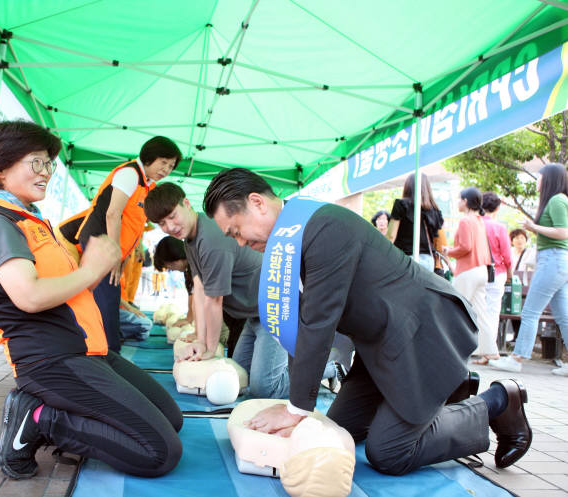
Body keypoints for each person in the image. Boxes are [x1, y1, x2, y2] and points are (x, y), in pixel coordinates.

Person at [203, 167, 532, 476]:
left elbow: (318, 323)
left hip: (420, 334)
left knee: (389, 451)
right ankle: (430, 396)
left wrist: (294, 410)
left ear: (257, 203)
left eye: (236, 231)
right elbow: (296, 330)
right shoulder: (288, 242)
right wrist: (297, 408)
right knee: (336, 428)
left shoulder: (322, 226)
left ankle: (498, 402)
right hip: (378, 346)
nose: (241, 243)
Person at [0, 121, 182, 480]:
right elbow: (28, 297)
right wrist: (90, 269)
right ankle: (40, 420)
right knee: (159, 452)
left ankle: (68, 411)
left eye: (49, 164)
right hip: (51, 359)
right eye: (36, 162)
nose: (46, 172)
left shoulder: (34, 221)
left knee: (172, 419)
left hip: (87, 350)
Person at [144, 183, 290, 399]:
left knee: (264, 388)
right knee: (239, 375)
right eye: (162, 223)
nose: (170, 226)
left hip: (275, 310)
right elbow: (200, 292)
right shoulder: (190, 242)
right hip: (254, 316)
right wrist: (201, 342)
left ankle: (327, 368)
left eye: (173, 216)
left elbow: (214, 300)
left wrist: (209, 349)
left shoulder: (210, 238)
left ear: (186, 203)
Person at [58, 136, 181, 352]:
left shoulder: (148, 186)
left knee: (109, 302)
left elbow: (134, 227)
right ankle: (105, 354)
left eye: (171, 166)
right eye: (163, 162)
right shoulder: (130, 174)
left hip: (113, 251)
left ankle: (104, 352)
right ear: (150, 157)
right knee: (105, 305)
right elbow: (113, 214)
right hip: (101, 246)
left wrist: (125, 255)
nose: (166, 169)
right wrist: (115, 254)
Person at [490, 164, 568, 376]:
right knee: (563, 316)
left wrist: (533, 228)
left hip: (553, 259)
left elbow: (563, 232)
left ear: (549, 179)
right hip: (557, 260)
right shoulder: (557, 200)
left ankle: (517, 358)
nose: (537, 181)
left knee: (531, 311)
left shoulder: (556, 200)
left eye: (540, 177)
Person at [444, 187, 494, 364]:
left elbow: (465, 247)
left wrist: (448, 251)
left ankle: (453, 347)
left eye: (459, 199)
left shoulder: (466, 221)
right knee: (480, 311)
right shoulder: (480, 220)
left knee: (456, 309)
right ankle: (490, 351)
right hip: (482, 269)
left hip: (468, 270)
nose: (458, 202)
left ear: (465, 201)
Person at [475, 192, 513, 365]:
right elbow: (507, 255)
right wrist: (510, 274)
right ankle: (490, 352)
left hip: (479, 271)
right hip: (497, 273)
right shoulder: (499, 228)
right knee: (492, 312)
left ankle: (484, 351)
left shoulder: (475, 225)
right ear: (497, 208)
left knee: (479, 312)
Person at [387, 173, 444, 272]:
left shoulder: (401, 205)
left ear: (408, 187)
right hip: (429, 261)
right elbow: (438, 240)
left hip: (406, 259)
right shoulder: (435, 210)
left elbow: (391, 237)